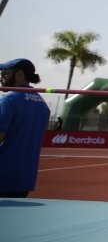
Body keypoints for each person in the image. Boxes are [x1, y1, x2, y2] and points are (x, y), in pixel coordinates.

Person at [0, 58, 51, 198]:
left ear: (19, 74)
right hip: (25, 178)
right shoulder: (42, 104)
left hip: (3, 174)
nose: (1, 79)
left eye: (5, 74)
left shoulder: (8, 100)